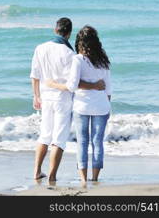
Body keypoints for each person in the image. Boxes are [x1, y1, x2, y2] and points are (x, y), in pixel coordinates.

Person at [30, 18, 105, 181]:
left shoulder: (40, 48)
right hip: (62, 99)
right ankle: (52, 176)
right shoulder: (70, 54)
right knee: (59, 138)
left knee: (44, 135)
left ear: (55, 30)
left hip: (45, 97)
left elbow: (34, 75)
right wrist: (95, 86)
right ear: (69, 33)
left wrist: (35, 96)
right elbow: (74, 84)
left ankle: (36, 171)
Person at [47, 25, 111, 183]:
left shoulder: (78, 59)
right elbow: (108, 88)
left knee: (82, 142)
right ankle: (95, 178)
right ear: (96, 42)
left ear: (79, 42)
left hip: (82, 106)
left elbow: (72, 85)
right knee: (97, 142)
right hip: (102, 106)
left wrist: (53, 84)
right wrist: (106, 104)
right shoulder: (104, 60)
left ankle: (83, 179)